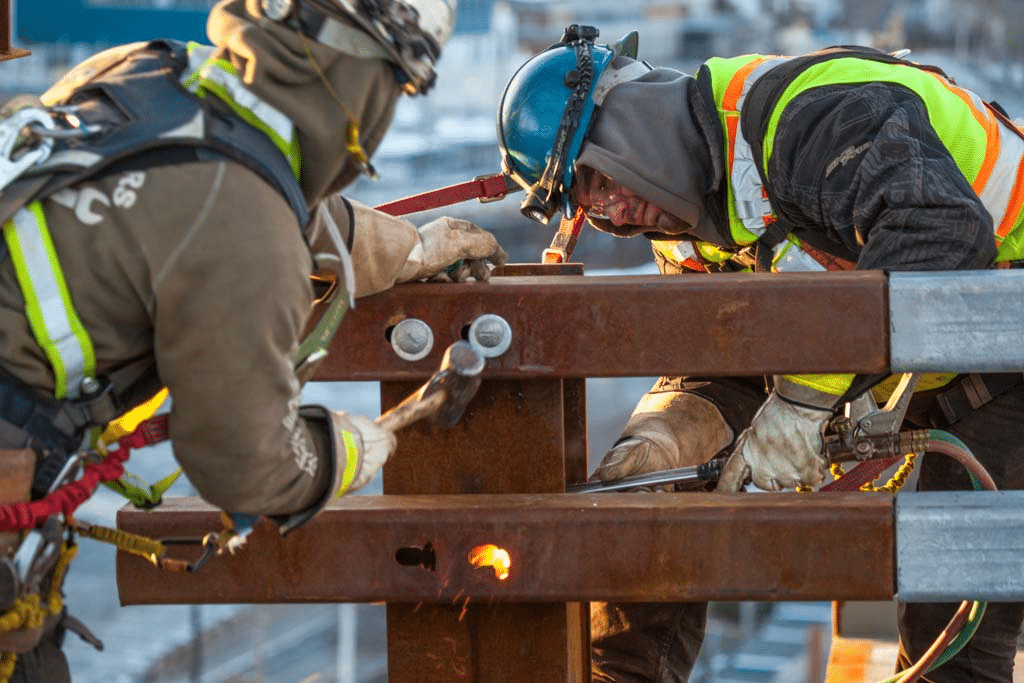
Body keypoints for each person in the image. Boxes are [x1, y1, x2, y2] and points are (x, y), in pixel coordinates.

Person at [496, 24, 1024, 683]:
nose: (611, 213)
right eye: (584, 202)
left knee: (953, 632)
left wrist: (806, 397)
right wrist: (670, 436)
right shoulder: (685, 232)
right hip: (915, 363)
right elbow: (725, 365)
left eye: (597, 177)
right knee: (648, 501)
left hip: (1007, 342)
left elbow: (940, 234)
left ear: (628, 117)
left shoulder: (807, 117)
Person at [0, 0, 507, 679]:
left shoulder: (149, 73)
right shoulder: (245, 227)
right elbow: (245, 463)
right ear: (372, 82)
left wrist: (412, 250)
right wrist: (364, 444)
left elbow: (240, 191)